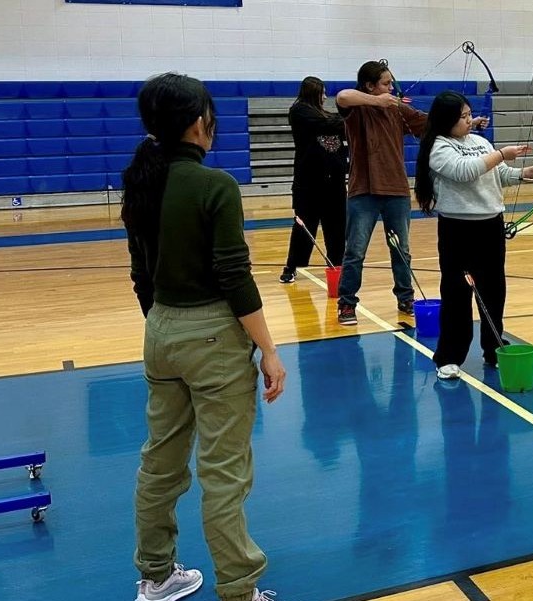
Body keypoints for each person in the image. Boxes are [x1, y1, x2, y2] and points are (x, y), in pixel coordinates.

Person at [121, 72, 287, 601]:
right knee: (224, 473)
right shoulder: (216, 186)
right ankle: (239, 590)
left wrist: (164, 323)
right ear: (198, 124)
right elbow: (234, 276)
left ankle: (155, 576)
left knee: (160, 462)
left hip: (160, 330)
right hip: (213, 336)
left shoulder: (141, 180)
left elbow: (140, 274)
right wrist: (268, 348)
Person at [333, 60, 487, 325]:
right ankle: (347, 304)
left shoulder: (398, 111)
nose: (391, 88)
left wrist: (469, 123)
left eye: (391, 83)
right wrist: (378, 102)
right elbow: (342, 96)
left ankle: (405, 298)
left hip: (396, 189)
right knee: (355, 251)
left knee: (401, 250)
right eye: (385, 84)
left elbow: (432, 123)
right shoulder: (357, 109)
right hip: (363, 191)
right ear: (369, 86)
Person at [413, 91, 533, 379]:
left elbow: (499, 174)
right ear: (447, 120)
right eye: (462, 117)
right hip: (458, 230)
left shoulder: (479, 142)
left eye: (468, 114)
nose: (469, 120)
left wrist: (530, 171)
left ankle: (494, 348)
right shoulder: (439, 147)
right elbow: (465, 172)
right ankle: (449, 357)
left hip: (490, 226)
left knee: (494, 291)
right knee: (456, 294)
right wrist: (502, 153)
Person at [280, 76, 347, 284]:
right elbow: (329, 123)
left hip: (334, 182)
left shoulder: (327, 116)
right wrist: (352, 113)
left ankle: (336, 265)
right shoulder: (300, 111)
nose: (325, 97)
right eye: (322, 93)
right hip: (308, 183)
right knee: (304, 226)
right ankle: (291, 266)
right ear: (312, 93)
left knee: (336, 226)